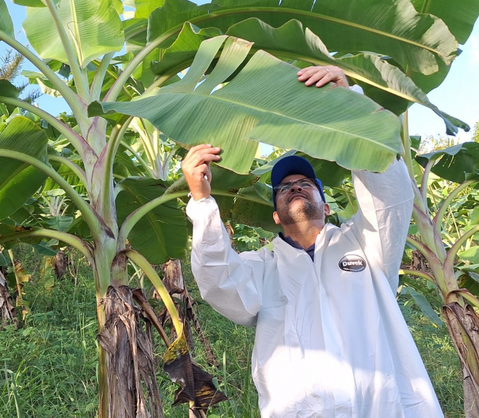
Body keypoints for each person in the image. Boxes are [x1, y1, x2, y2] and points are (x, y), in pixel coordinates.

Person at [182, 66, 443, 418]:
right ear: (275, 215)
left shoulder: (366, 243)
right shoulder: (261, 267)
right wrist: (201, 201)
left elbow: (389, 196)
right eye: (284, 187)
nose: (295, 186)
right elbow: (218, 281)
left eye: (306, 183)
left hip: (384, 408)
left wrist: (351, 107)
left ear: (327, 205)